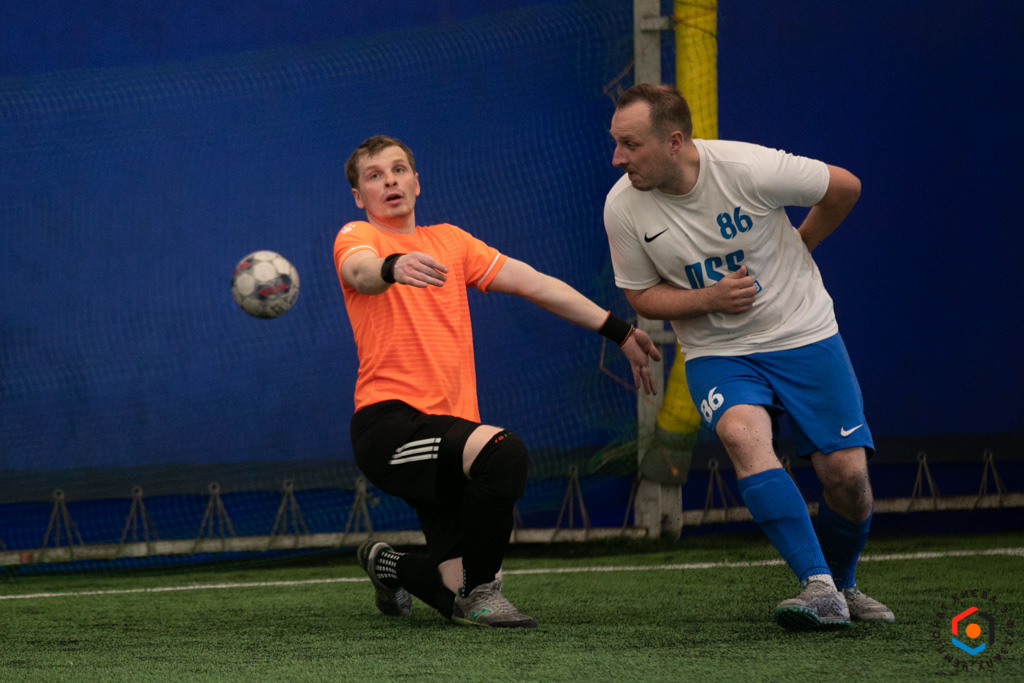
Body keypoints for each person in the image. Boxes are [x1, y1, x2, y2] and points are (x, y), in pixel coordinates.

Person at [334, 135, 662, 629]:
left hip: (452, 432)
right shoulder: (358, 235)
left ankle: (387, 564)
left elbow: (535, 283)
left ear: (417, 182)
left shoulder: (451, 242)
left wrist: (619, 331)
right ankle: (483, 594)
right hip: (389, 428)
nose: (390, 181)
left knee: (453, 592)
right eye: (374, 176)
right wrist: (392, 265)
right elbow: (359, 271)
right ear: (360, 196)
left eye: (399, 170)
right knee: (505, 453)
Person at [603, 84, 893, 630]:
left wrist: (802, 244)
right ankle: (817, 584)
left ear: (674, 141)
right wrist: (708, 300)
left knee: (847, 476)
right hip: (718, 350)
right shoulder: (622, 206)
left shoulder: (746, 167)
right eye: (616, 142)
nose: (618, 158)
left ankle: (842, 586)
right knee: (742, 436)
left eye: (631, 145)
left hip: (803, 331)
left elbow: (845, 187)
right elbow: (641, 296)